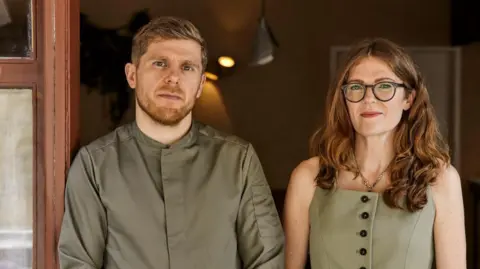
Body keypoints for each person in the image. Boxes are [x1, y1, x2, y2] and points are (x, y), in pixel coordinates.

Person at [58, 16, 285, 269]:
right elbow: (78, 263)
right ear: (132, 75)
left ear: (200, 85)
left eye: (187, 67)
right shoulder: (94, 165)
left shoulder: (238, 160)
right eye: (160, 63)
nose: (173, 78)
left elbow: (267, 260)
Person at [283, 38, 466, 269]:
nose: (369, 98)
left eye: (384, 86)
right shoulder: (307, 177)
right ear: (345, 98)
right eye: (356, 87)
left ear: (408, 99)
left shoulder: (441, 179)